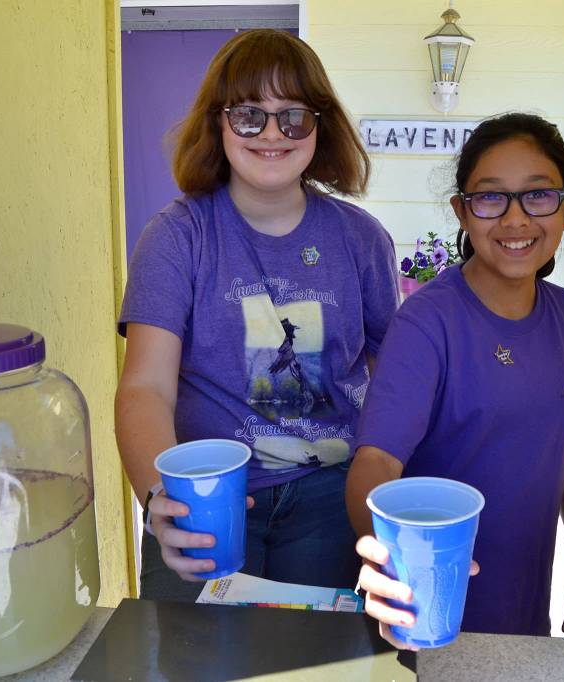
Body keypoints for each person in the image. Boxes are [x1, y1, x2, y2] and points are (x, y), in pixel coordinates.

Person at [116, 29, 399, 601]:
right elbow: (145, 387)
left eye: (293, 116)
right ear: (217, 125)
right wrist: (158, 499)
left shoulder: (361, 239)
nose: (272, 133)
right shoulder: (176, 236)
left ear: (320, 128)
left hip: (331, 500)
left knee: (319, 665)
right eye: (249, 115)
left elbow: (395, 383)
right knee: (189, 660)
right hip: (204, 499)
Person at [345, 112, 564, 647]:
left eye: (539, 196)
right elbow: (376, 460)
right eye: (491, 198)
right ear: (463, 212)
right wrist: (386, 561)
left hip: (523, 611)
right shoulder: (427, 322)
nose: (516, 220)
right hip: (422, 610)